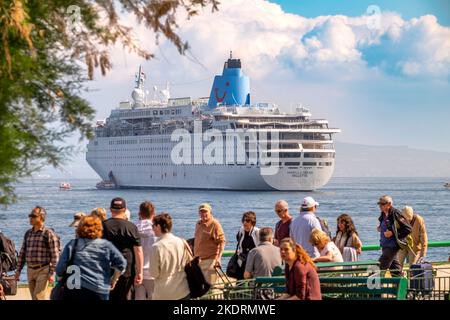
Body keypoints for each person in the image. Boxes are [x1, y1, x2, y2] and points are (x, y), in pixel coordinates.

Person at [56, 216, 127, 300]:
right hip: (99, 289)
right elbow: (122, 263)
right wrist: (114, 280)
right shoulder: (106, 245)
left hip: (75, 288)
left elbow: (59, 269)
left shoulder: (72, 244)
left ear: (80, 228)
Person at [15, 206, 60, 300]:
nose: (30, 218)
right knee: (34, 297)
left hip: (43, 270)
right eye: (30, 216)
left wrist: (51, 273)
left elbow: (55, 256)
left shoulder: (48, 233)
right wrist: (18, 271)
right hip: (30, 270)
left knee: (38, 297)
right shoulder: (28, 233)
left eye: (33, 216)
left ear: (41, 217)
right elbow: (22, 253)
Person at [102, 197, 144, 300]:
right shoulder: (132, 227)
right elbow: (138, 251)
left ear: (110, 209)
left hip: (107, 269)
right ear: (125, 210)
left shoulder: (103, 226)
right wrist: (140, 272)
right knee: (125, 296)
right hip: (127, 270)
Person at [149, 213, 190, 300]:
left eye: (153, 226)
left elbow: (154, 273)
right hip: (183, 289)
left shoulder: (156, 247)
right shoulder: (181, 241)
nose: (152, 228)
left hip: (164, 293)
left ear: (158, 226)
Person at [376, 195, 412, 277]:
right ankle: (403, 286)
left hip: (392, 245)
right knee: (395, 269)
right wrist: (380, 228)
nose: (380, 206)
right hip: (385, 244)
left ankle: (369, 284)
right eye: (379, 204)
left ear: (389, 204)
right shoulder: (383, 214)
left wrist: (393, 233)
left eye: (382, 204)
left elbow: (408, 228)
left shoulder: (396, 213)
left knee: (380, 265)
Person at [193, 203, 226, 285]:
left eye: (205, 212)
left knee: (212, 287)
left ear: (210, 212)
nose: (203, 214)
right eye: (201, 212)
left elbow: (222, 241)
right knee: (199, 287)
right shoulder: (198, 223)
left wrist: (219, 258)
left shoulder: (215, 224)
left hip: (210, 262)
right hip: (198, 261)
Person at [134, 201, 157, 300]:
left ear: (139, 213)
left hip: (137, 271)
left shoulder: (133, 228)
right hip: (152, 272)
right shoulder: (156, 230)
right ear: (153, 214)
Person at [232, 211, 259, 280]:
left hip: (253, 263)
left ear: (252, 222)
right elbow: (239, 243)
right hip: (242, 261)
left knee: (251, 283)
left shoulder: (257, 232)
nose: (245, 222)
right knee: (239, 282)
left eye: (247, 220)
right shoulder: (241, 230)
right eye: (243, 220)